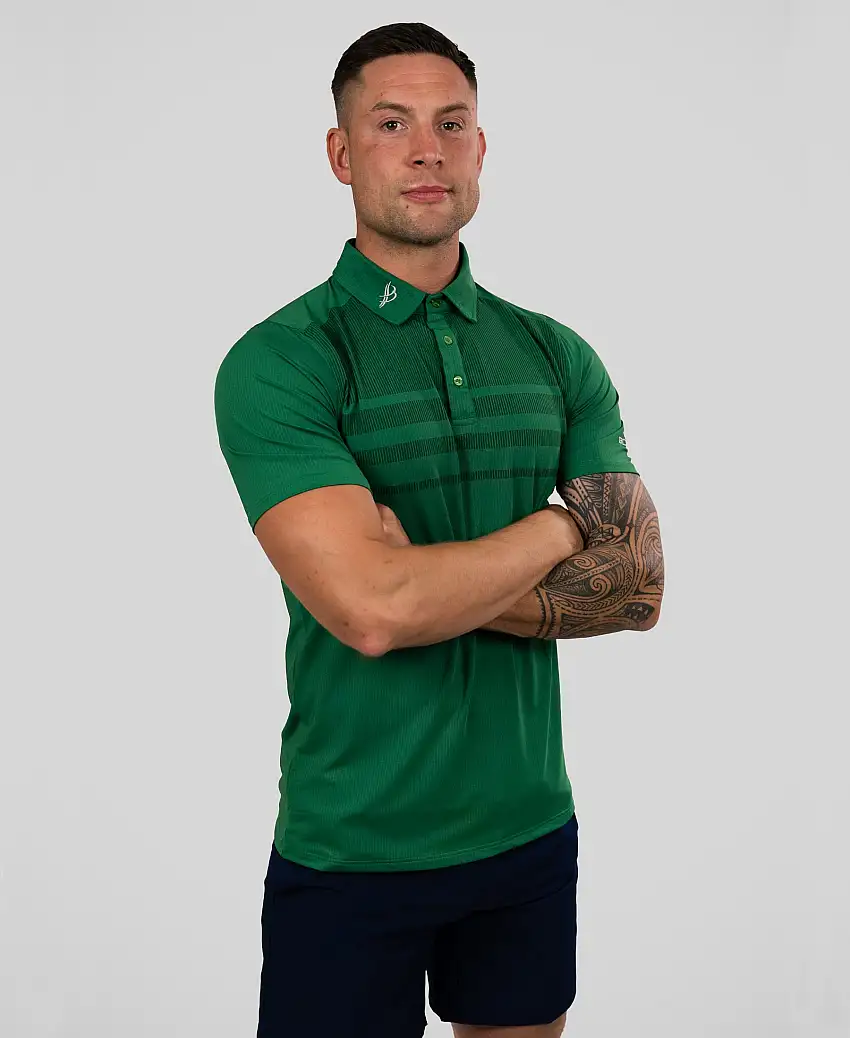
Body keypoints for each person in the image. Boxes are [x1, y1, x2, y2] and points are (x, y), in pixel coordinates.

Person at [213, 21, 665, 1038]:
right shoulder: (282, 362)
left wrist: (414, 578)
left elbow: (638, 586)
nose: (427, 150)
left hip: (528, 832)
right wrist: (560, 531)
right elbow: (371, 614)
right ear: (341, 154)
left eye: (451, 124)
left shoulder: (554, 353)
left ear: (480, 147)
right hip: (352, 847)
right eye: (392, 124)